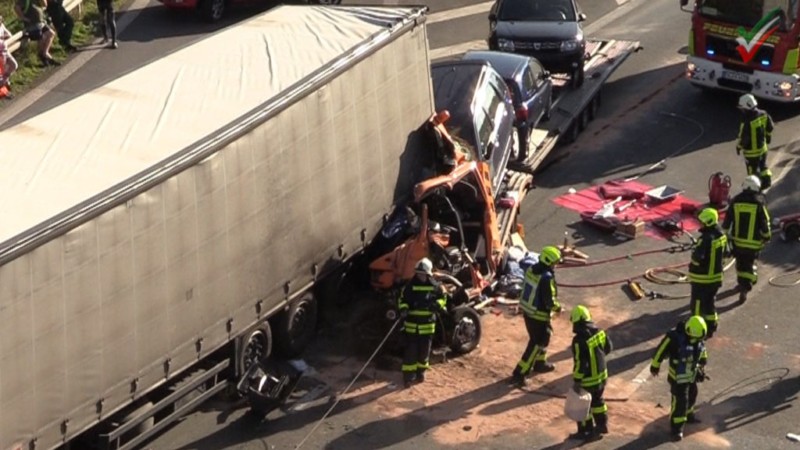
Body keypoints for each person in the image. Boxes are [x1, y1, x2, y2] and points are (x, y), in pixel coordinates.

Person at [650, 316, 709, 442]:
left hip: (691, 375)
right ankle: (676, 429)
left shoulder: (697, 338)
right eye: (696, 338)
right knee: (680, 403)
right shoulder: (674, 338)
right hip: (677, 378)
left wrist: (702, 363)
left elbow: (701, 348)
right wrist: (655, 365)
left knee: (693, 393)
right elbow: (660, 351)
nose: (698, 340)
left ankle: (689, 414)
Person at [510, 245, 563, 386]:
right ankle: (520, 373)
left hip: (528, 311)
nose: (555, 265)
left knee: (546, 336)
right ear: (549, 262)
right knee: (536, 344)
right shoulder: (546, 278)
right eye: (554, 263)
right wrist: (558, 308)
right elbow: (549, 300)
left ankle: (540, 363)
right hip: (538, 315)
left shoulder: (533, 269)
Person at [397, 258, 447, 388]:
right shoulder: (409, 286)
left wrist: (437, 305)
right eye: (418, 273)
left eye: (423, 274)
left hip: (427, 326)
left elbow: (443, 298)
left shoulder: (435, 286)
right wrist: (404, 309)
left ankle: (421, 373)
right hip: (411, 326)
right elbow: (402, 300)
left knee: (424, 352)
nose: (420, 276)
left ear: (428, 274)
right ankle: (408, 377)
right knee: (410, 352)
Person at [721, 175, 772, 304]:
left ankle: (742, 284)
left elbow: (727, 221)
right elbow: (764, 222)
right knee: (749, 264)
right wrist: (766, 236)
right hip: (754, 243)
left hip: (737, 241)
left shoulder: (736, 201)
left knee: (740, 264)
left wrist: (725, 237)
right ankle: (746, 286)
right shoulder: (759, 202)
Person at [569, 305, 613, 441]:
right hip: (602, 376)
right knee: (598, 401)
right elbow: (608, 348)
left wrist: (577, 380)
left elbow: (580, 363)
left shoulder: (578, 341)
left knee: (583, 406)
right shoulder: (600, 332)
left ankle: (585, 432)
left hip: (587, 380)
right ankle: (602, 425)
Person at [688, 208, 727, 339]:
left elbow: (697, 259)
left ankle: (697, 330)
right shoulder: (721, 235)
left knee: (698, 305)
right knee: (710, 303)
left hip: (702, 280)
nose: (700, 224)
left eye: (702, 222)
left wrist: (694, 255)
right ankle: (712, 325)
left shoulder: (705, 239)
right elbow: (726, 253)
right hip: (716, 278)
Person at [736, 93, 775, 190]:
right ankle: (767, 181)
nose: (741, 110)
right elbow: (770, 127)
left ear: (746, 107)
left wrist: (739, 147)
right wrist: (768, 137)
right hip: (763, 148)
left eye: (742, 108)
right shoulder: (764, 114)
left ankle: (754, 189)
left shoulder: (746, 122)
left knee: (752, 172)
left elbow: (743, 137)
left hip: (751, 153)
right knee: (763, 166)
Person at [14, 0, 60, 66]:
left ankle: (45, 53)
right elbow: (16, 7)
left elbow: (45, 5)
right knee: (41, 39)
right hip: (32, 24)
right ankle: (44, 57)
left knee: (51, 33)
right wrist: (23, 18)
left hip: (41, 22)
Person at [0, 15, 19, 91]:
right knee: (2, 71)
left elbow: (9, 35)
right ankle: (4, 88)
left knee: (14, 65)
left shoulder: (2, 26)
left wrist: (3, 37)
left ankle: (4, 81)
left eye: (1, 19)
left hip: (5, 51)